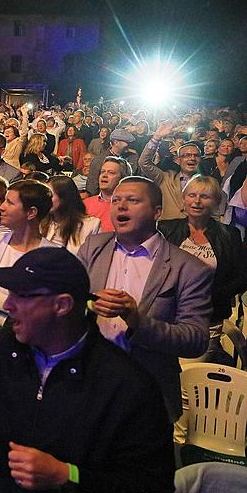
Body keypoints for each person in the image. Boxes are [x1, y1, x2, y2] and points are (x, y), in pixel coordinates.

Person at [0, 247, 175, 493]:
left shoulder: (126, 385)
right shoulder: (3, 350)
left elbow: (152, 484)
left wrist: (66, 475)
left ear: (62, 305)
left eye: (21, 295)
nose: (7, 303)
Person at [77, 176, 213, 421]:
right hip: (89, 383)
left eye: (132, 200)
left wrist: (137, 320)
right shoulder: (92, 247)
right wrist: (89, 304)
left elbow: (196, 339)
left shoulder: (188, 268)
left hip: (147, 393)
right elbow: (69, 299)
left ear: (156, 212)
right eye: (116, 200)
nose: (121, 206)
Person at [158, 176, 247, 364]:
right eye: (192, 195)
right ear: (184, 198)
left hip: (207, 320)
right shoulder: (166, 229)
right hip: (166, 318)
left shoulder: (229, 235)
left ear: (215, 202)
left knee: (189, 381)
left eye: (204, 196)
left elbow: (241, 277)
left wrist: (209, 296)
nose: (197, 201)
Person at [0, 180, 59, 336]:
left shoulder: (52, 256)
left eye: (9, 202)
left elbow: (40, 311)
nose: (1, 206)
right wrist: (6, 320)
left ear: (31, 213)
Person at [139, 122, 206, 220]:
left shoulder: (208, 183)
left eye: (196, 156)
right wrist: (156, 138)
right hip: (168, 231)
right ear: (178, 160)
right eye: (186, 155)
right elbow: (144, 163)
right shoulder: (165, 178)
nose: (192, 158)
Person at [44, 175, 101, 255]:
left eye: (50, 195)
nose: (45, 200)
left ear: (64, 197)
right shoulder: (40, 222)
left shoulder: (92, 225)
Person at [83, 155, 131, 232]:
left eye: (111, 172)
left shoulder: (129, 207)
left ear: (123, 179)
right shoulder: (85, 204)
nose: (104, 175)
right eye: (102, 172)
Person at [84, 128, 135, 195]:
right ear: (116, 143)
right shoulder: (99, 160)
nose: (128, 146)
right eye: (127, 143)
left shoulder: (131, 158)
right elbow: (92, 185)